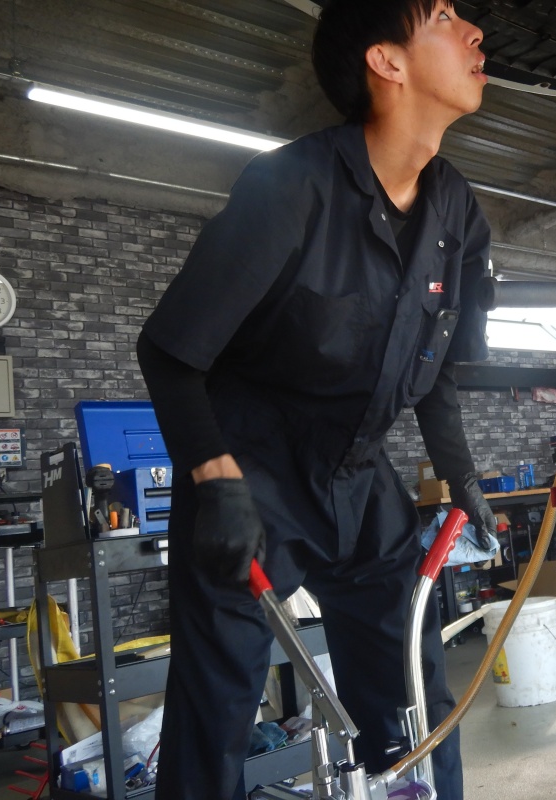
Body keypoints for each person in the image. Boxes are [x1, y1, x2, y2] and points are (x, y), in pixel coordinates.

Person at [136, 2, 496, 798]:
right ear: (387, 62)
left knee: (410, 693)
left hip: (360, 473)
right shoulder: (291, 186)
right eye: (444, 16)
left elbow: (437, 362)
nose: (474, 32)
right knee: (217, 711)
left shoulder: (456, 209)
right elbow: (168, 351)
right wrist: (215, 479)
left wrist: (460, 472)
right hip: (250, 470)